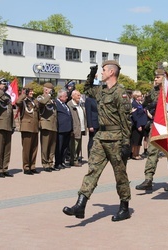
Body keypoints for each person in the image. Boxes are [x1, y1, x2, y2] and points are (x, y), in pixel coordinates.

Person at [63, 60, 132, 222]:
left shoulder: (120, 92)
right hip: (101, 138)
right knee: (92, 170)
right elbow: (86, 89)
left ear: (111, 73)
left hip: (116, 139)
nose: (101, 73)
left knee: (120, 175)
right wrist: (91, 74)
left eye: (103, 70)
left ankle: (124, 207)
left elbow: (126, 120)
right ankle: (80, 204)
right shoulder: (101, 90)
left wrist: (126, 143)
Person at [135, 69, 168, 192]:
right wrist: (148, 109)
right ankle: (148, 179)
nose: (155, 79)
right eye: (155, 77)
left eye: (158, 77)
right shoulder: (153, 91)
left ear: (164, 78)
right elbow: (144, 104)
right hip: (156, 125)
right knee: (152, 151)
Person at [16, 83, 40, 175]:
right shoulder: (23, 101)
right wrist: (24, 94)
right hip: (27, 127)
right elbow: (18, 102)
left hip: (34, 127)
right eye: (30, 91)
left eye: (32, 91)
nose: (32, 93)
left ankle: (32, 166)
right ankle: (26, 167)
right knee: (27, 149)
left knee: (34, 148)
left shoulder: (34, 101)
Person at [37, 82, 59, 172]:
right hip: (46, 124)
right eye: (50, 90)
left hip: (53, 125)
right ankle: (45, 163)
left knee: (52, 146)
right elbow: (42, 103)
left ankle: (50, 163)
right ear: (45, 90)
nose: (52, 92)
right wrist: (49, 95)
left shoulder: (52, 100)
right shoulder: (41, 97)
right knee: (45, 146)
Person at [67, 90, 86, 167]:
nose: (79, 97)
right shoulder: (70, 105)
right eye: (78, 95)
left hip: (81, 128)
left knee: (78, 146)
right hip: (74, 128)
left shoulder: (80, 105)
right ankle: (73, 160)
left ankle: (77, 158)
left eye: (80, 95)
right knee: (74, 146)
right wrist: (71, 129)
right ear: (73, 96)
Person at [55, 88, 73, 170]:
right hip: (60, 129)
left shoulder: (65, 105)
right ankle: (57, 163)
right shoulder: (56, 103)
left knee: (65, 147)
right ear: (60, 97)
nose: (67, 98)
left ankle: (62, 161)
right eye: (65, 96)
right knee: (59, 147)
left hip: (67, 129)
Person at [130, 90, 147, 160]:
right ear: (136, 97)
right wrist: (138, 125)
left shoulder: (139, 104)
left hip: (142, 124)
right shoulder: (134, 104)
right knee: (135, 141)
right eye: (139, 96)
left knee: (139, 140)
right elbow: (134, 116)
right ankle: (134, 154)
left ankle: (137, 153)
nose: (141, 97)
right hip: (137, 125)